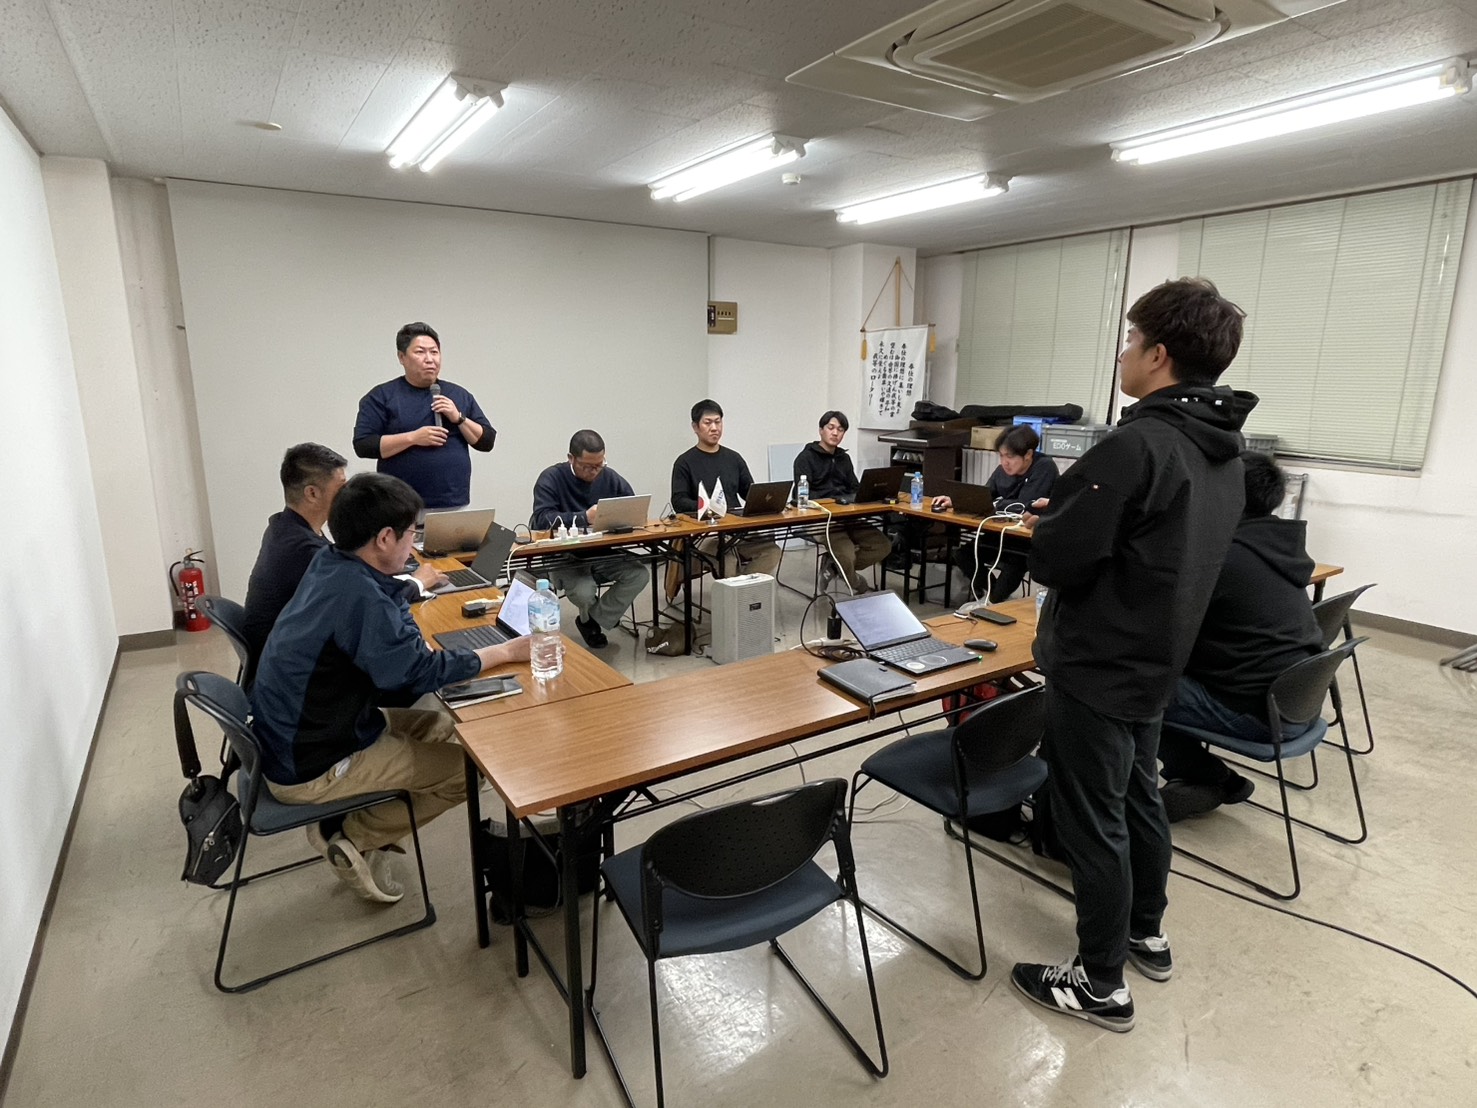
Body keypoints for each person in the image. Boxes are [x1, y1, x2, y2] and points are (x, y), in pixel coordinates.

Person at [1011, 278, 1256, 1032]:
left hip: (1098, 664)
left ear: (1157, 355)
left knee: (1092, 820)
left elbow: (1058, 560)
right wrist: (1079, 511)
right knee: (1138, 796)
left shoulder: (1136, 444)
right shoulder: (1223, 450)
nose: (1122, 353)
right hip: (1157, 659)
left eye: (1129, 340)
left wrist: (1055, 521)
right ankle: (1145, 930)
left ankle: (1099, 983)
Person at [250, 473, 529, 903]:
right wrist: (503, 652)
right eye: (411, 534)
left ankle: (361, 814)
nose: (413, 543)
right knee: (470, 772)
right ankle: (351, 835)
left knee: (442, 727)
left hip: (303, 729)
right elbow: (413, 675)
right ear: (384, 538)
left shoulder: (333, 562)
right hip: (313, 762)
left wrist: (408, 601)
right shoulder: (361, 597)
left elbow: (380, 608)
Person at [1158, 451, 1323, 821]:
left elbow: (1163, 627)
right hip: (1296, 702)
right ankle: (1204, 779)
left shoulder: (1224, 556)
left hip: (1259, 712)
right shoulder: (1274, 546)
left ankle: (1201, 782)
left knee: (1127, 687)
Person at [241, 444, 446, 685]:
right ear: (312, 493)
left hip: (286, 665)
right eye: (341, 486)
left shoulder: (285, 526)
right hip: (299, 677)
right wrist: (417, 583)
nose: (349, 494)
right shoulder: (305, 551)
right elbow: (365, 598)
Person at [352, 322, 495, 513]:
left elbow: (487, 441)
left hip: (453, 501)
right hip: (400, 504)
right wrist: (413, 438)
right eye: (420, 352)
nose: (429, 359)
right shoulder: (382, 396)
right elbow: (363, 445)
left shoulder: (459, 395)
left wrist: (459, 417)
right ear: (402, 357)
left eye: (434, 352)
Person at [529, 429, 649, 649]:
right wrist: (584, 517)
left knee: (639, 574)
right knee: (584, 592)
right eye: (587, 466)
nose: (594, 471)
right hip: (564, 556)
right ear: (571, 459)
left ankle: (591, 620)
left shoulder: (609, 476)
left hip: (602, 552)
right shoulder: (551, 478)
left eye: (599, 464)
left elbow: (631, 506)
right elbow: (541, 520)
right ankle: (594, 618)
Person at [930, 424, 1060, 603]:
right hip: (1002, 535)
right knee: (963, 554)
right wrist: (955, 500)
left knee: (1015, 563)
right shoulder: (1002, 471)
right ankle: (994, 596)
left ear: (1028, 454)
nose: (1004, 462)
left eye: (1010, 456)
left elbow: (1024, 506)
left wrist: (996, 504)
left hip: (1027, 540)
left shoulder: (1045, 467)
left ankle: (995, 598)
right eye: (1001, 455)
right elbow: (983, 495)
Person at [670, 399, 781, 578]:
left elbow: (749, 491)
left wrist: (768, 501)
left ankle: (742, 589)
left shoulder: (733, 458)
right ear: (695, 427)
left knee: (771, 551)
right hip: (706, 532)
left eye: (718, 422)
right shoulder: (684, 462)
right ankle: (736, 591)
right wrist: (707, 507)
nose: (714, 428)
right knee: (727, 560)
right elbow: (678, 501)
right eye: (708, 423)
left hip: (736, 528)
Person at [792, 410, 892, 593]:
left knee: (882, 546)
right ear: (821, 430)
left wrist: (865, 494)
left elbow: (854, 487)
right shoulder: (805, 458)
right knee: (846, 553)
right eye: (831, 427)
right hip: (821, 519)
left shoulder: (843, 458)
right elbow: (803, 495)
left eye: (840, 429)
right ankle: (857, 584)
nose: (835, 433)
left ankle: (833, 565)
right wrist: (833, 499)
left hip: (847, 516)